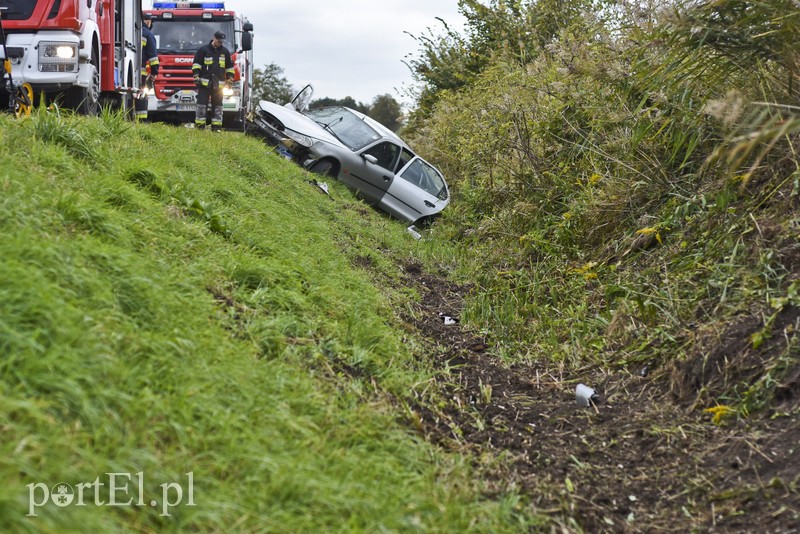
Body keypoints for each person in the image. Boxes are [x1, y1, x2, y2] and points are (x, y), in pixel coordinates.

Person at [192, 30, 234, 130]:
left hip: (218, 86)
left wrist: (230, 79)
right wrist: (196, 76)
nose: (220, 43)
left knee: (218, 107)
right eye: (219, 41)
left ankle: (216, 128)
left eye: (222, 41)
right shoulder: (203, 50)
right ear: (214, 38)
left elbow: (229, 68)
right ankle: (199, 127)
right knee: (201, 106)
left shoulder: (225, 52)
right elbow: (196, 64)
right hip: (204, 84)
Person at [136, 13, 159, 121]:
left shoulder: (133, 31)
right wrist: (154, 73)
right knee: (142, 93)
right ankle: (141, 120)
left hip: (129, 68)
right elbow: (153, 57)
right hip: (141, 72)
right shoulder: (148, 34)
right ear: (148, 22)